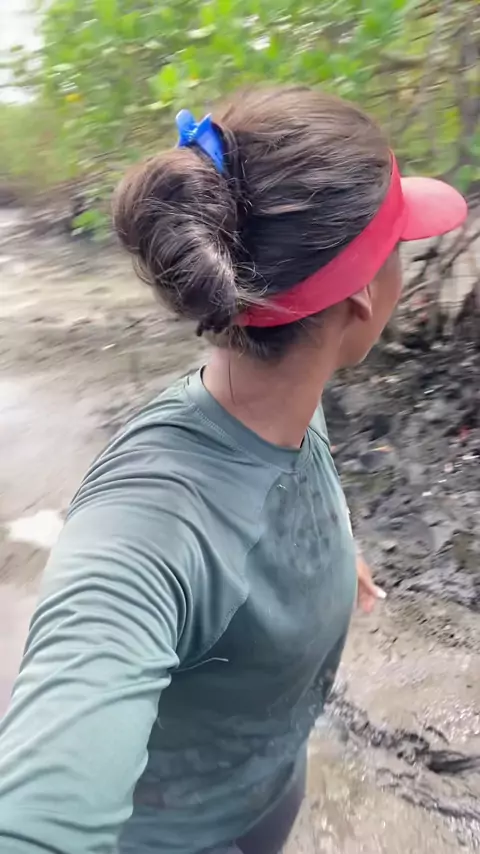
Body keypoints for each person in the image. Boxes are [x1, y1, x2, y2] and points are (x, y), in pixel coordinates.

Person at [0, 87, 467, 854]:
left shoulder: (280, 389)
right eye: (400, 246)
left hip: (261, 797)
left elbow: (268, 483)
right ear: (361, 295)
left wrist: (328, 547)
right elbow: (36, 821)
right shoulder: (149, 522)